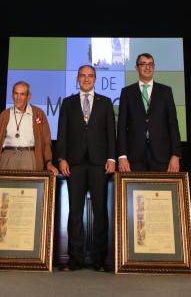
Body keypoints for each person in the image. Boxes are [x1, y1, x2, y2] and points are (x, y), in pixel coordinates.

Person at [57, 65, 116, 271]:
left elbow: (111, 133)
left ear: (96, 79)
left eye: (90, 76)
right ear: (77, 78)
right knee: (75, 212)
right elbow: (62, 133)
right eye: (83, 75)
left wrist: (112, 158)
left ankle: (99, 259)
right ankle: (76, 258)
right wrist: (61, 158)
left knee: (100, 212)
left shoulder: (106, 102)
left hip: (100, 163)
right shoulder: (68, 103)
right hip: (74, 163)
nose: (87, 79)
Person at [117, 52, 181, 172]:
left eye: (151, 64)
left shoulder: (166, 91)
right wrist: (122, 156)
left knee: (161, 190)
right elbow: (121, 126)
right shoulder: (127, 92)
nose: (147, 67)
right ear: (136, 68)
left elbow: (173, 124)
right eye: (143, 64)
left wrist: (176, 155)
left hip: (161, 156)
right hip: (134, 157)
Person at [0, 81, 57, 175]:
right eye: (16, 94)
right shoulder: (4, 115)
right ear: (12, 95)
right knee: (5, 188)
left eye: (22, 94)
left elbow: (46, 142)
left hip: (29, 157)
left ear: (29, 97)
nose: (18, 98)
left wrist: (48, 162)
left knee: (29, 188)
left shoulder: (38, 113)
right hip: (7, 157)